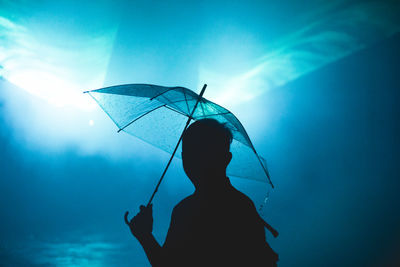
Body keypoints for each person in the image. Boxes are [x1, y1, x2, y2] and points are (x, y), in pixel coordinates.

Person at [124, 118, 278, 266]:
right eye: (188, 153)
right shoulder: (243, 204)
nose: (193, 160)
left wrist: (145, 236)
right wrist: (145, 235)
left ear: (226, 158)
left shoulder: (186, 210)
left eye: (202, 152)